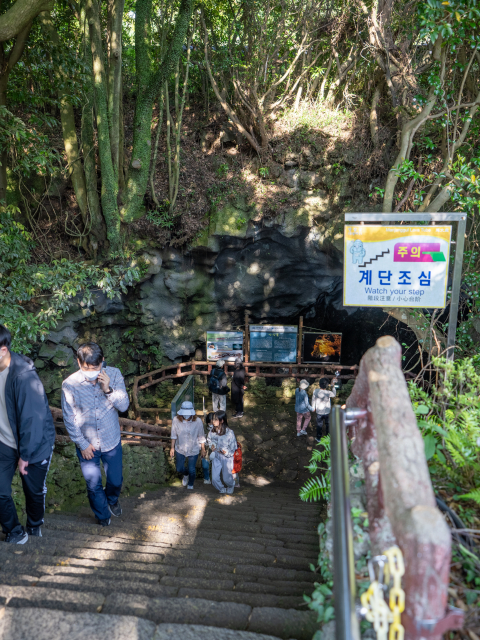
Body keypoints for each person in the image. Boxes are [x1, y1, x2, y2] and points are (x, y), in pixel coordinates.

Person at [62, 342, 129, 526]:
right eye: (86, 368)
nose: (91, 371)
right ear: (78, 362)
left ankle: (112, 500)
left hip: (111, 439)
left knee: (115, 480)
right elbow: (69, 418)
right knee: (93, 484)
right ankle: (102, 516)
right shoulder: (69, 384)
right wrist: (81, 444)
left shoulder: (114, 374)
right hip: (87, 443)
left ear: (103, 362)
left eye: (95, 367)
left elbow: (124, 406)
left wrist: (108, 389)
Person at [0, 324, 55, 544]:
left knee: (33, 492)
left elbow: (33, 420)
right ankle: (15, 531)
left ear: (3, 349)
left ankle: (34, 526)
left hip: (34, 444)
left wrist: (26, 455)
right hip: (5, 441)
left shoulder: (23, 376)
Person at [170, 401, 206, 490]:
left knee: (192, 469)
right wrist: (172, 448)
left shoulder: (198, 421)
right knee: (179, 468)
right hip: (180, 448)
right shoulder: (176, 420)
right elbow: (173, 435)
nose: (186, 416)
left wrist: (203, 449)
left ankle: (190, 483)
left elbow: (201, 435)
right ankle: (185, 475)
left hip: (193, 448)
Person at [208, 411, 237, 494]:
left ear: (222, 420)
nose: (213, 421)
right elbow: (209, 440)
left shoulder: (229, 433)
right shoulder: (212, 431)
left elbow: (233, 447)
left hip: (226, 458)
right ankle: (221, 488)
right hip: (216, 455)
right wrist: (211, 445)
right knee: (214, 478)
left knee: (226, 478)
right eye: (213, 419)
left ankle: (231, 485)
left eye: (216, 419)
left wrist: (226, 452)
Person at [312, 377, 337, 443]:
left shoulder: (315, 391)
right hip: (327, 412)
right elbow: (334, 394)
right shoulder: (328, 392)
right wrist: (333, 386)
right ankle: (328, 437)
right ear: (327, 385)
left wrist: (313, 407)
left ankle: (318, 438)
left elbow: (313, 399)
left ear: (319, 384)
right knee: (328, 425)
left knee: (319, 425)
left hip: (319, 412)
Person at [202, 411, 215, 485]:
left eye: (212, 422)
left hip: (215, 450)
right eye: (209, 423)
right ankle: (206, 478)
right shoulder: (203, 428)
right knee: (205, 466)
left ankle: (215, 479)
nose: (211, 424)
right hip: (206, 450)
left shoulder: (219, 429)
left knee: (215, 467)